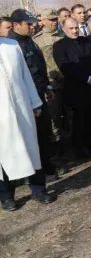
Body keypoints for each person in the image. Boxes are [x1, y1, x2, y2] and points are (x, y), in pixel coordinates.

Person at [0, 36, 55, 211]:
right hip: (2, 115)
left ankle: (39, 189)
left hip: (22, 107)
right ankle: (6, 196)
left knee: (32, 149)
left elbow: (26, 76)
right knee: (4, 155)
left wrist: (34, 102)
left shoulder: (12, 45)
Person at [8, 9, 59, 176]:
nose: (32, 27)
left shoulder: (28, 40)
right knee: (33, 136)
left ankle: (46, 166)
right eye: (28, 24)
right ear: (16, 25)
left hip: (39, 92)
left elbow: (38, 67)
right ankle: (36, 172)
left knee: (44, 132)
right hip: (25, 98)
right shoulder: (11, 45)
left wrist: (46, 87)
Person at [54, 18, 91, 158]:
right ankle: (80, 150)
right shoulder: (59, 46)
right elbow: (66, 67)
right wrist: (86, 78)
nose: (75, 31)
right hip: (75, 89)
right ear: (63, 29)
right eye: (71, 28)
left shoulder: (87, 41)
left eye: (76, 28)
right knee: (78, 120)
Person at [33, 9, 66, 155]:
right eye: (51, 19)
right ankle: (57, 153)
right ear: (43, 21)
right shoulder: (37, 41)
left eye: (56, 19)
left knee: (70, 114)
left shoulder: (63, 35)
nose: (54, 22)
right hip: (52, 84)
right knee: (54, 118)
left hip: (68, 81)